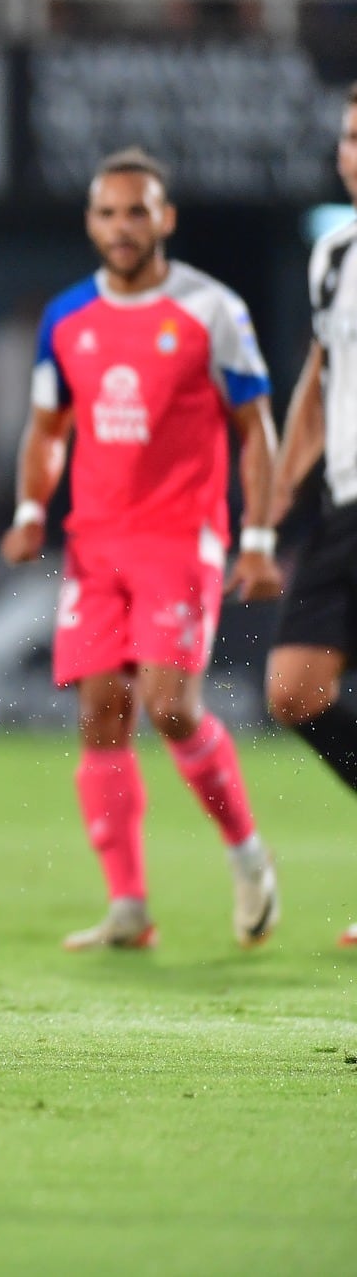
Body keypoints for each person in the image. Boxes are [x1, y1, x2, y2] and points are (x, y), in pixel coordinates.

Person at [2, 147, 282, 953]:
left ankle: (249, 855)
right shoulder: (67, 318)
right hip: (96, 540)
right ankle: (128, 906)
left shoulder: (211, 310)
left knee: (170, 703)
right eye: (108, 212)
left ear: (165, 218)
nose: (122, 227)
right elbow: (48, 427)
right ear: (91, 222)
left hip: (179, 536)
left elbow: (254, 428)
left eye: (138, 211)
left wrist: (258, 538)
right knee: (100, 716)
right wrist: (30, 508)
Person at [265, 86, 357, 947]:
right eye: (350, 138)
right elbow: (318, 391)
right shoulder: (334, 255)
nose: (352, 153)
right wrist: (269, 514)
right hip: (341, 512)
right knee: (295, 691)